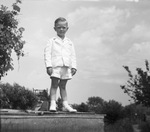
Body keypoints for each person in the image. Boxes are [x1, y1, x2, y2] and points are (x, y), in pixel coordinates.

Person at [44, 17, 77, 112]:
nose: (61, 29)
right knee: (54, 85)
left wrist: (74, 67)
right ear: (55, 28)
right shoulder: (52, 41)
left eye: (63, 27)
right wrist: (48, 66)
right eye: (59, 27)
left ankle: (65, 105)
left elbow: (73, 55)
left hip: (66, 67)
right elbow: (47, 54)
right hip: (55, 66)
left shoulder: (70, 42)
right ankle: (53, 103)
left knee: (63, 86)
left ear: (67, 28)